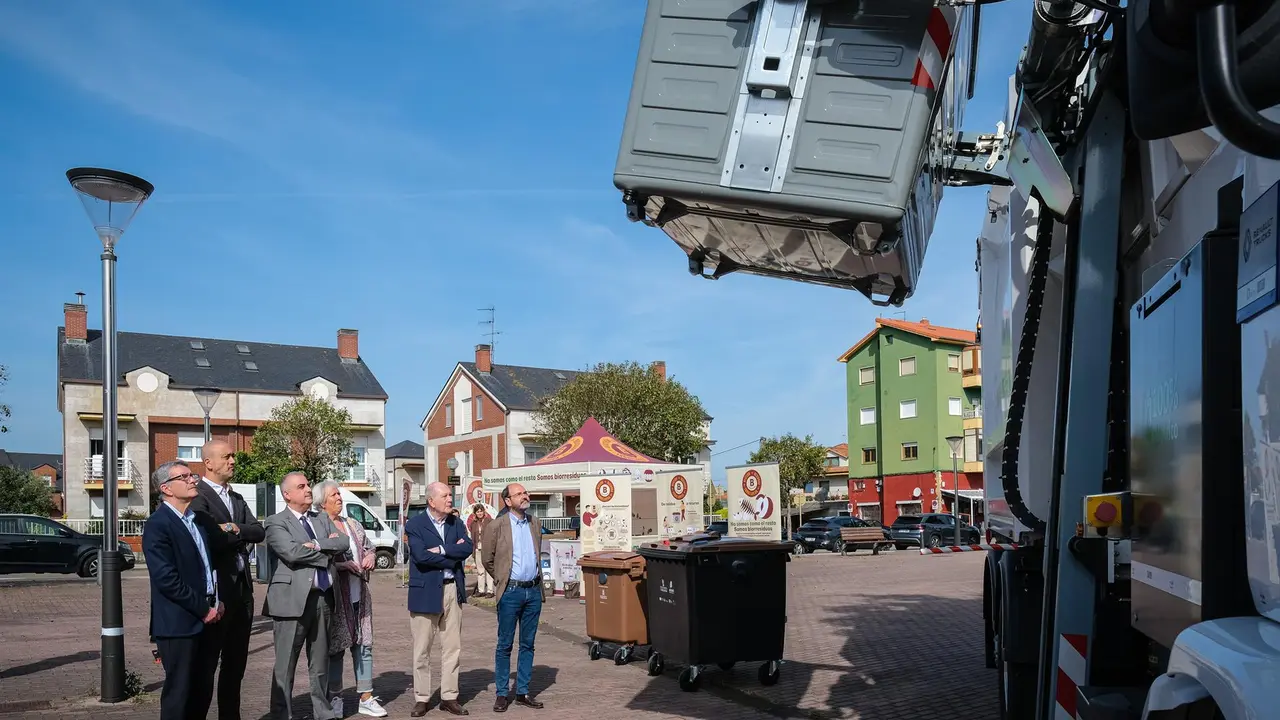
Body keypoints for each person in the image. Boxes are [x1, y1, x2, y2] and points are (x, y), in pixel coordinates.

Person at [188, 439, 264, 720]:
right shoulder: (199, 496)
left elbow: (258, 532)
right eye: (227, 456)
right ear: (208, 462)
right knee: (207, 667)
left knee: (235, 667)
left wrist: (233, 528)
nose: (233, 461)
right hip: (218, 594)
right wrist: (236, 533)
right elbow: (210, 538)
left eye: (233, 455)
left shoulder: (237, 498)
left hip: (243, 593)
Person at [144, 460, 224, 720]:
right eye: (185, 476)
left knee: (202, 693)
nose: (193, 480)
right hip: (179, 624)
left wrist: (217, 601)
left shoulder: (197, 520)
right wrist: (203, 608)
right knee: (179, 696)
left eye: (193, 475)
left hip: (209, 620)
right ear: (166, 488)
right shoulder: (158, 524)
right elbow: (166, 578)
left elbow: (207, 566)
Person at [264, 471, 348, 720]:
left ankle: (323, 713)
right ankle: (282, 714)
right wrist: (326, 553)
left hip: (323, 598)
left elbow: (342, 542)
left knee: (320, 663)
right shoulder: (275, 521)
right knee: (285, 665)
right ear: (287, 495)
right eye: (301, 486)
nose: (309, 489)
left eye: (309, 485)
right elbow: (290, 553)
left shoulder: (321, 518)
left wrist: (319, 544)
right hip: (290, 601)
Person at [314, 480, 388, 718]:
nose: (339, 498)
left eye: (339, 494)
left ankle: (366, 696)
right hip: (335, 598)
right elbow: (316, 557)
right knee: (336, 650)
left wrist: (371, 558)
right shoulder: (318, 525)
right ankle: (335, 697)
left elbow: (368, 547)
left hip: (360, 596)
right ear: (322, 501)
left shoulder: (352, 523)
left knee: (364, 645)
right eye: (334, 495)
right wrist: (341, 565)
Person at [406, 482, 473, 717]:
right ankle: (422, 698)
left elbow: (468, 548)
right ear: (431, 501)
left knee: (452, 647)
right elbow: (420, 556)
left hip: (452, 590)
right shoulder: (414, 524)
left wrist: (443, 550)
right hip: (425, 591)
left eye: (450, 495)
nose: (450, 499)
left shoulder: (456, 523)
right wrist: (452, 557)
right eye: (445, 495)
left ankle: (449, 696)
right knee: (422, 649)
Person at [482, 483, 547, 713]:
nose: (525, 496)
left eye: (525, 492)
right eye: (519, 494)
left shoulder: (535, 523)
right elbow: (487, 559)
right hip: (510, 592)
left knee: (528, 644)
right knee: (505, 644)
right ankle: (502, 694)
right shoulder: (496, 525)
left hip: (533, 591)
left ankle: (523, 691)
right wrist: (502, 579)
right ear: (508, 501)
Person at [466, 504, 493, 598]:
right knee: (480, 571)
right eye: (478, 511)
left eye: (481, 511)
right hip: (477, 548)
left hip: (488, 549)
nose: (480, 513)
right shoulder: (473, 523)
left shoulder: (490, 521)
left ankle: (490, 590)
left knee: (489, 570)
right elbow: (473, 538)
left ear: (484, 512)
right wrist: (473, 551)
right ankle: (481, 590)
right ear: (475, 513)